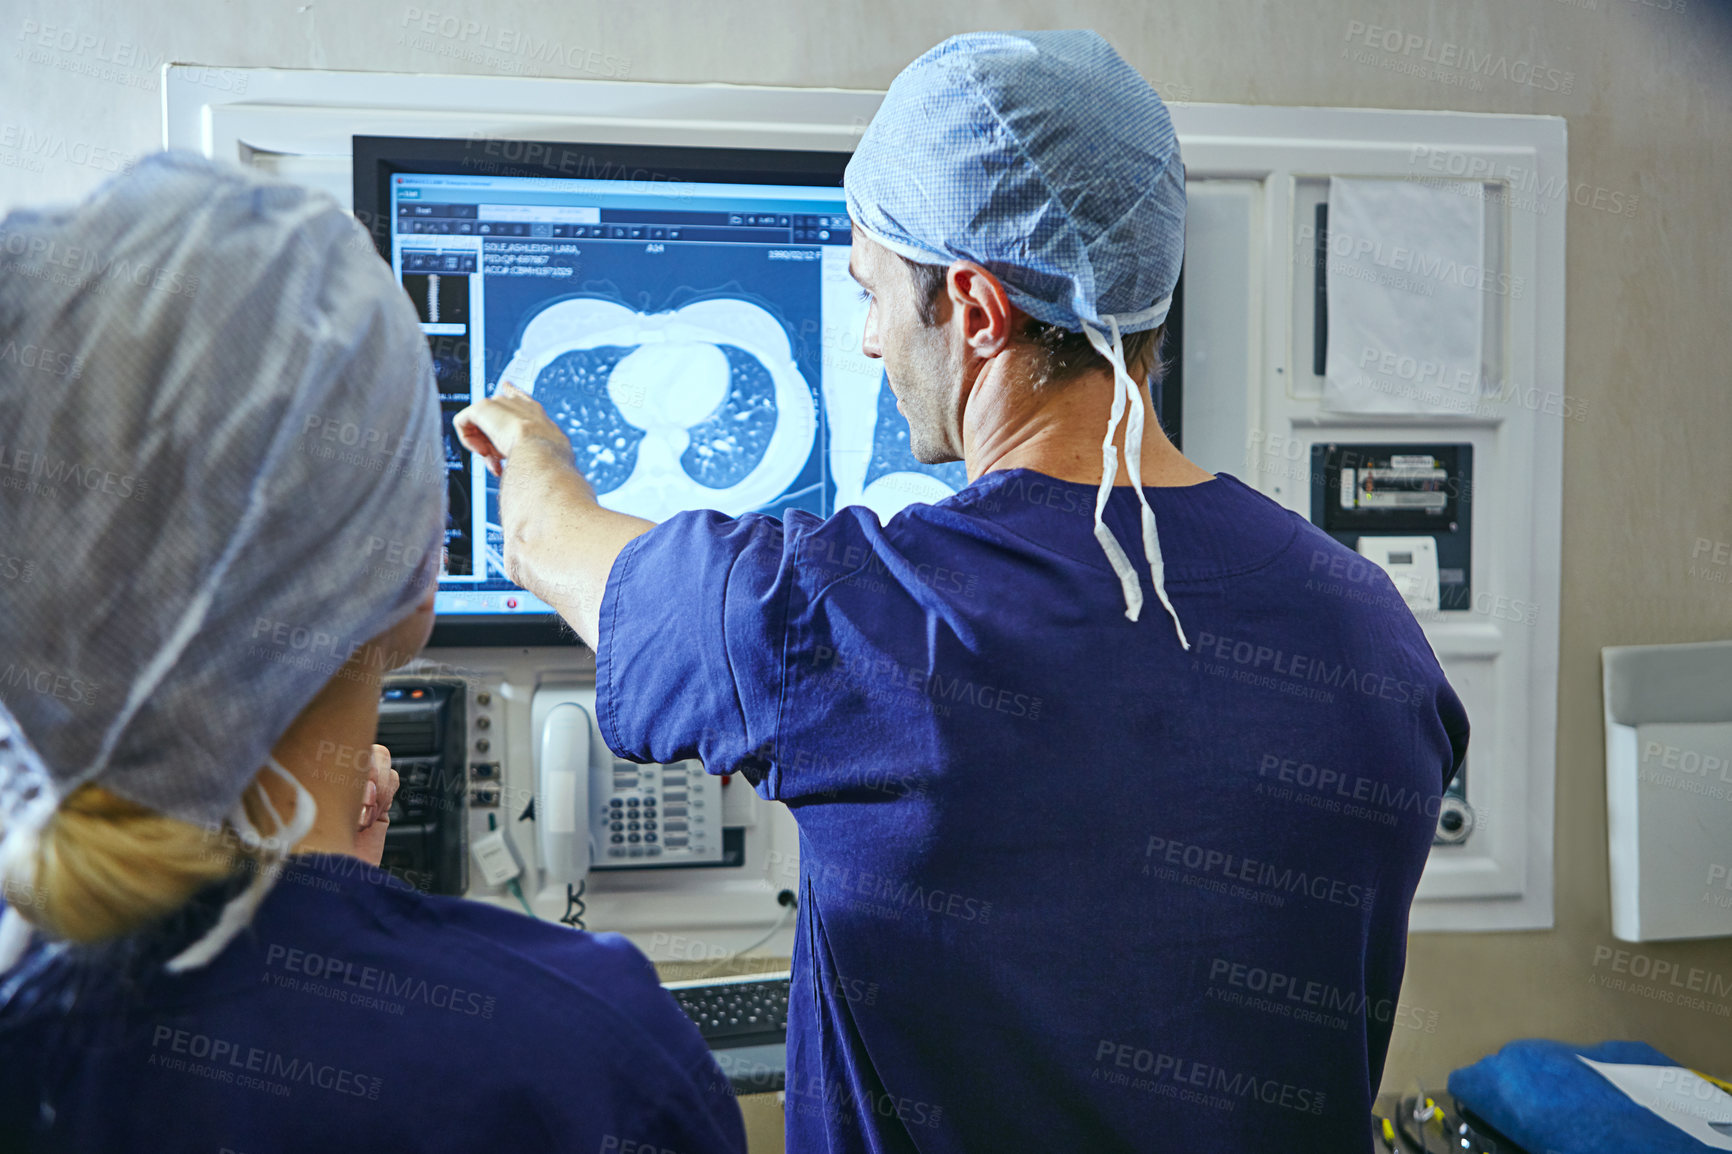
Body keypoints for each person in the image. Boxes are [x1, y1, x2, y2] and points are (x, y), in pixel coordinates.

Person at [454, 30, 1469, 1153]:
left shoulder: (855, 621)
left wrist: (529, 448)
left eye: (874, 288)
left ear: (978, 311)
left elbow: (557, 546)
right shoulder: (1369, 629)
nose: (872, 333)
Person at [0, 154, 745, 1154]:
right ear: (404, 561)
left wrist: (317, 908)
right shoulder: (581, 1047)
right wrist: (335, 931)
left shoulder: (33, 1028)